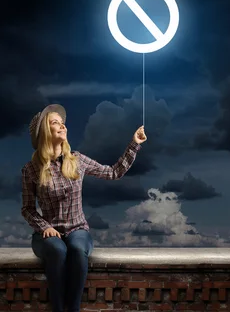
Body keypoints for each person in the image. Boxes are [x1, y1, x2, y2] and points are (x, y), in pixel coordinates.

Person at [20, 104, 146, 312]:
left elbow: (113, 172)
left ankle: (74, 309)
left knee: (78, 249)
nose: (62, 126)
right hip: (48, 234)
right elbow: (27, 209)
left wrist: (134, 144)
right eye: (55, 122)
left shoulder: (77, 160)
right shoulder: (31, 170)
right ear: (44, 132)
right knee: (57, 249)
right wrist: (44, 227)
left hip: (77, 229)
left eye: (62, 122)